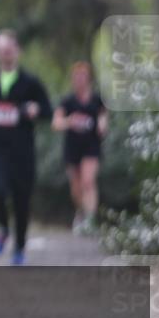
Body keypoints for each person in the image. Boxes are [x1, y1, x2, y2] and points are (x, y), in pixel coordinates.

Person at [0, 29, 52, 265]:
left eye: (8, 50)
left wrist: (36, 111)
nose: (4, 55)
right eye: (0, 51)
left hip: (22, 151)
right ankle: (4, 229)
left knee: (21, 199)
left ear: (17, 51)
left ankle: (19, 247)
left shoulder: (30, 82)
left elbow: (48, 111)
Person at [52, 61, 108, 234]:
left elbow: (104, 117)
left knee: (88, 181)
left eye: (83, 77)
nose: (80, 80)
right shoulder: (68, 101)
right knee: (76, 187)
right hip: (72, 147)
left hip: (91, 146)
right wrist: (69, 121)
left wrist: (102, 125)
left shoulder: (97, 99)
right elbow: (56, 123)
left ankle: (90, 220)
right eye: (76, 77)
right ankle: (81, 212)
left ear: (89, 79)